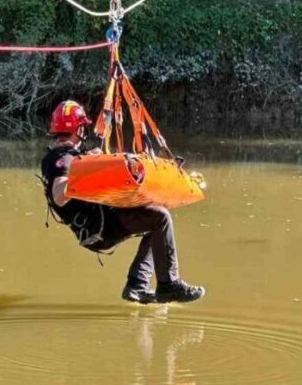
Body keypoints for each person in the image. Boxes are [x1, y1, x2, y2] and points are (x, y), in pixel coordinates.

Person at [39, 100, 205, 304]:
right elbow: (59, 194)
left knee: (157, 220)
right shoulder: (62, 159)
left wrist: (89, 163)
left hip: (100, 223)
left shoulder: (67, 156)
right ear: (79, 128)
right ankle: (167, 285)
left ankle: (137, 286)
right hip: (101, 228)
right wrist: (87, 167)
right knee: (160, 219)